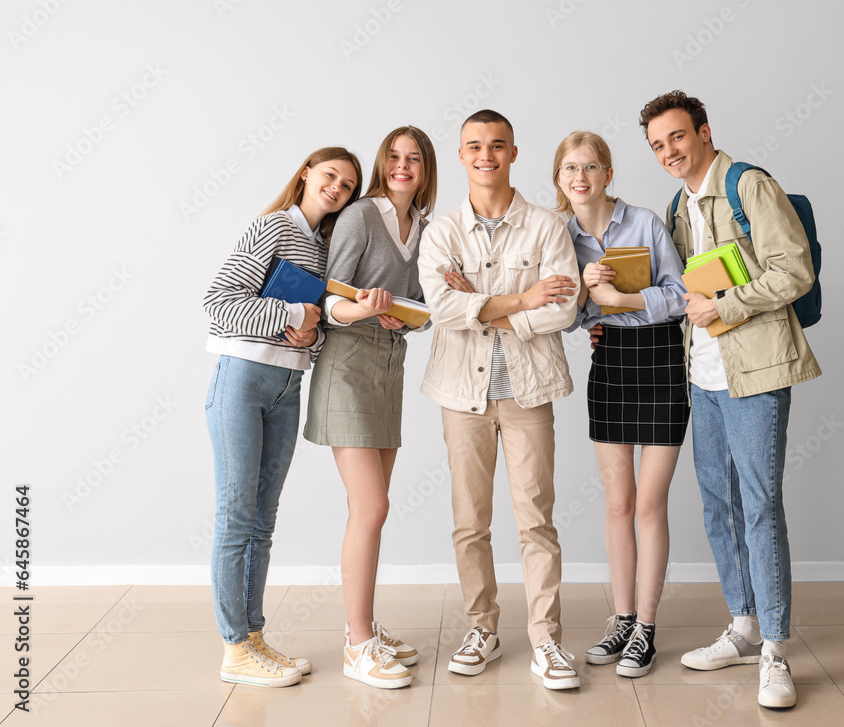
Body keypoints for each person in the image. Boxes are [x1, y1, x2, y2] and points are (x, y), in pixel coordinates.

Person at [639, 90, 821, 708]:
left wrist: (726, 306)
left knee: (761, 504)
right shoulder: (678, 204)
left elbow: (794, 269)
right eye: (658, 145)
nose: (669, 151)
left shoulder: (749, 186)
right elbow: (678, 289)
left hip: (759, 371)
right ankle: (742, 624)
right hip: (704, 373)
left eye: (678, 138)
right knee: (719, 502)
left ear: (704, 132)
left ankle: (774, 648)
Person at [418, 110, 582, 690]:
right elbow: (443, 309)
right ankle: (481, 629)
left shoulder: (546, 226)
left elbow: (562, 308)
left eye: (496, 146)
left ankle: (546, 640)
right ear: (461, 156)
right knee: (470, 522)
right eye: (473, 147)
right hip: (461, 394)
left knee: (536, 520)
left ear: (514, 152)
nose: (485, 156)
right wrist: (519, 298)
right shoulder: (442, 232)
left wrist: (482, 301)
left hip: (528, 391)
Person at [204, 147, 363, 687]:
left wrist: (309, 333)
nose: (337, 187)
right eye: (329, 175)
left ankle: (253, 638)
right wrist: (294, 314)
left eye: (348, 184)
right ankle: (234, 650)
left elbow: (314, 330)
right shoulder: (272, 226)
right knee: (235, 517)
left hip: (288, 385)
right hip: (243, 379)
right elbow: (218, 302)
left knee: (263, 521)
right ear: (305, 175)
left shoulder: (323, 247)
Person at [304, 126, 437, 690]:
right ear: (384, 164)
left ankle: (366, 629)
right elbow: (329, 298)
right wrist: (366, 309)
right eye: (394, 157)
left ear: (427, 169)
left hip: (390, 366)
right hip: (348, 365)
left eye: (413, 159)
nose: (403, 166)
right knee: (372, 507)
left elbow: (424, 307)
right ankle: (358, 644)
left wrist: (415, 308)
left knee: (373, 509)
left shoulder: (426, 230)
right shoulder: (360, 215)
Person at [553, 131, 688, 678]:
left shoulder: (645, 222)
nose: (579, 177)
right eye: (568, 169)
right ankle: (623, 619)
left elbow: (682, 297)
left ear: (608, 172)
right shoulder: (560, 236)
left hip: (659, 361)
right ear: (558, 179)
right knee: (617, 504)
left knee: (649, 505)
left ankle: (647, 630)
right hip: (608, 361)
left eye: (589, 166)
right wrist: (588, 297)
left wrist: (620, 299)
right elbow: (567, 316)